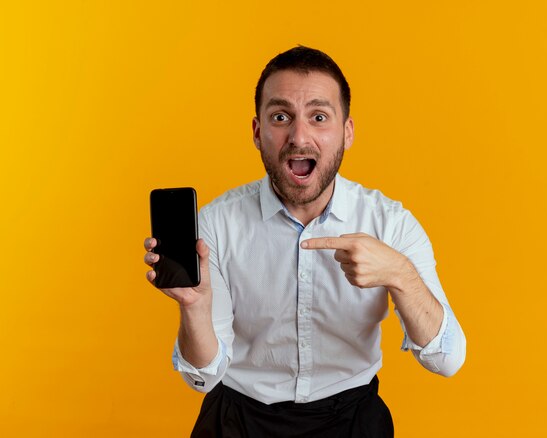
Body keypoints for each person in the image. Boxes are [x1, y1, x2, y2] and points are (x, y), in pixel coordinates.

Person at [143, 46, 466, 437]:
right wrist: (194, 307)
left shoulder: (391, 224)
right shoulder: (215, 224)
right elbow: (203, 378)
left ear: (346, 132)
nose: (299, 136)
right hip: (238, 421)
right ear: (258, 132)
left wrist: (401, 275)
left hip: (352, 422)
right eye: (281, 117)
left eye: (319, 117)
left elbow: (446, 360)